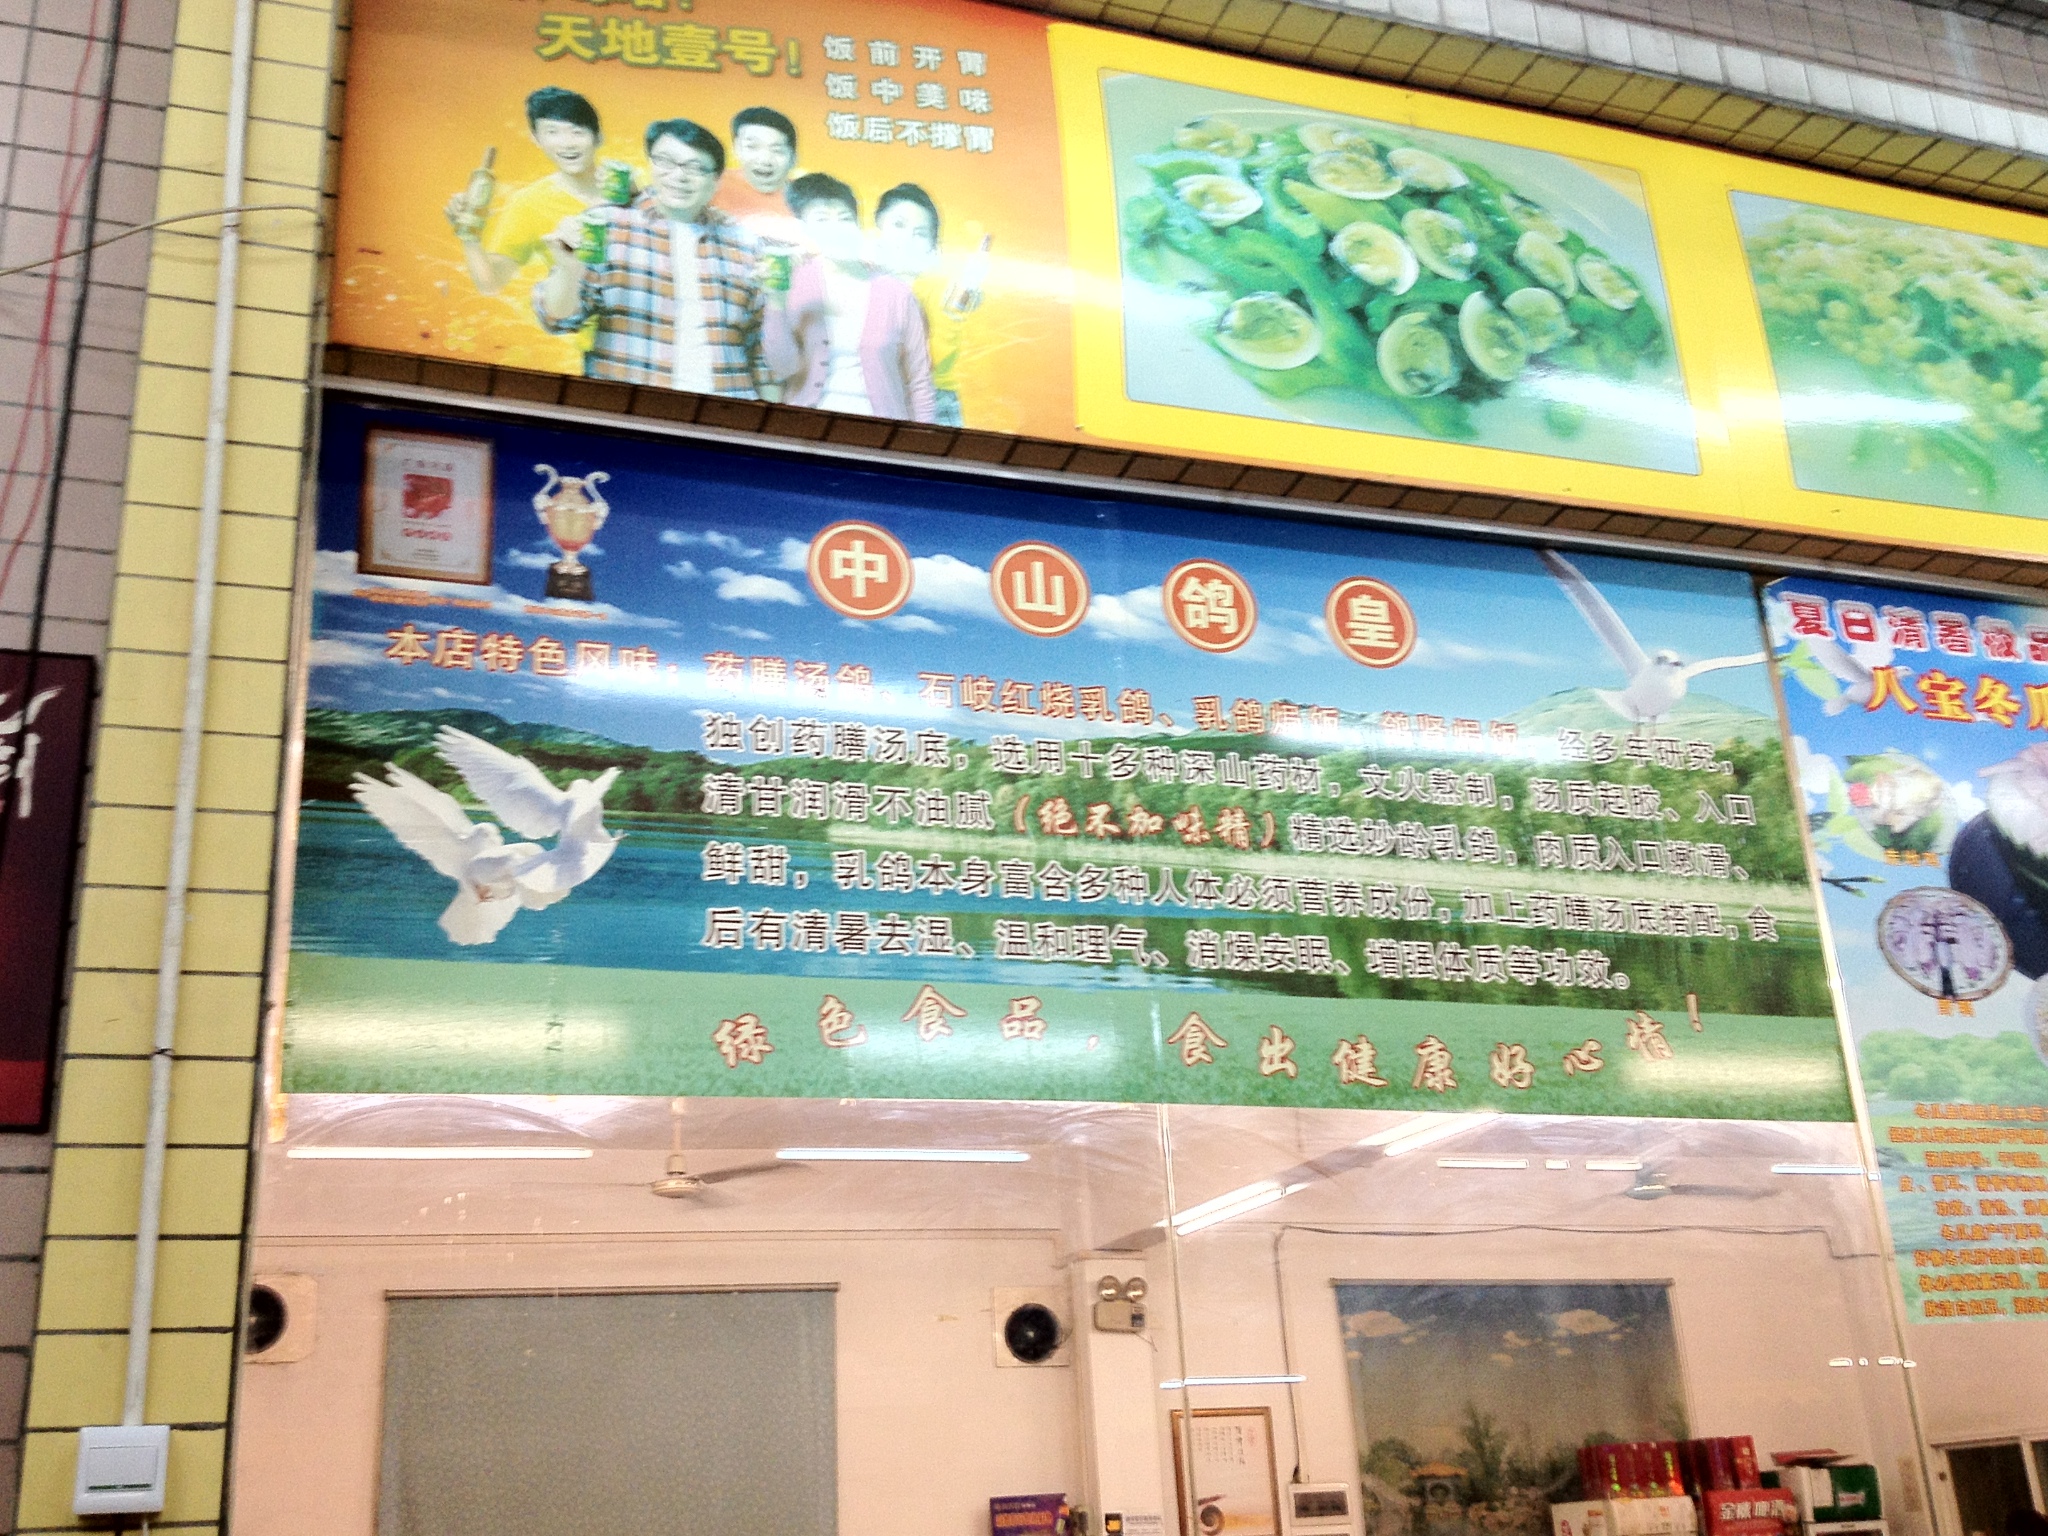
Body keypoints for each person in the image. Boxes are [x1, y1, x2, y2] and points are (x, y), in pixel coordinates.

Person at [536, 118, 768, 396]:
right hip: (631, 410)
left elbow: (761, 350)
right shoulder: (607, 224)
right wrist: (568, 270)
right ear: (650, 164)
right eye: (666, 162)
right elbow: (557, 320)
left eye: (696, 167)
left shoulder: (744, 245)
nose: (679, 176)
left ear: (716, 180)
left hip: (726, 410)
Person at [763, 174, 935, 423]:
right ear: (804, 229)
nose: (836, 228)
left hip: (879, 432)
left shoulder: (897, 293)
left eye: (844, 218)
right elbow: (783, 368)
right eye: (822, 219)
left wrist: (922, 438)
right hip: (805, 428)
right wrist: (776, 301)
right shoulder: (793, 280)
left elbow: (919, 381)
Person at [446, 86, 606, 298]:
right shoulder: (529, 203)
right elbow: (492, 283)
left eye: (577, 132)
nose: (567, 143)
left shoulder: (634, 185)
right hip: (578, 315)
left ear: (598, 137)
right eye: (552, 132)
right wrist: (470, 236)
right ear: (536, 139)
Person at [874, 183, 969, 428]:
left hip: (935, 400)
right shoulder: (860, 283)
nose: (906, 239)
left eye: (920, 233)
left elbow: (933, 360)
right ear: (877, 231)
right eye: (898, 225)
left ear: (933, 248)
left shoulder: (942, 289)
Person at [711, 106, 801, 246]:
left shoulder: (810, 198)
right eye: (752, 147)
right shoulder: (711, 185)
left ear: (794, 158)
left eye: (777, 150)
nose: (765, 160)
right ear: (736, 149)